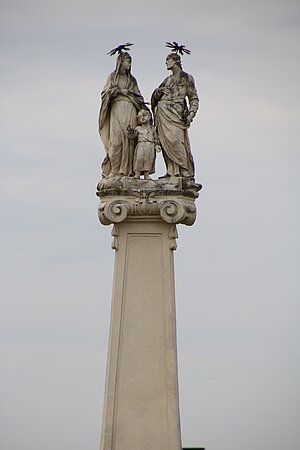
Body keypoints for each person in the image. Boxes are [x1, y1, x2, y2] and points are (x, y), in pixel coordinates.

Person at [151, 52, 199, 178]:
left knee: (177, 141)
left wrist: (191, 114)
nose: (166, 62)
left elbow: (193, 98)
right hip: (163, 113)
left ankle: (184, 170)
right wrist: (159, 91)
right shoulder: (167, 80)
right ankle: (172, 171)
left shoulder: (187, 78)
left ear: (176, 61)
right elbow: (155, 96)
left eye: (168, 60)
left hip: (177, 115)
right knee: (165, 141)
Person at [98, 51, 145, 178]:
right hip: (116, 110)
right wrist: (118, 91)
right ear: (121, 62)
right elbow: (104, 94)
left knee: (129, 141)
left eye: (130, 61)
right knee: (116, 140)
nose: (129, 63)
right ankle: (114, 170)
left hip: (130, 110)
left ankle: (128, 171)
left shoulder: (132, 80)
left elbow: (139, 96)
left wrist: (131, 96)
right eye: (127, 60)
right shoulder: (112, 77)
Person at [127, 109, 161, 179]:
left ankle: (146, 174)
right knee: (139, 158)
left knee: (149, 159)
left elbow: (156, 138)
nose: (142, 118)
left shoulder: (152, 128)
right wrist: (130, 131)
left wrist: (157, 145)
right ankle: (137, 174)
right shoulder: (138, 128)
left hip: (150, 145)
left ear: (149, 116)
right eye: (140, 117)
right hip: (141, 145)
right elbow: (132, 136)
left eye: (144, 116)